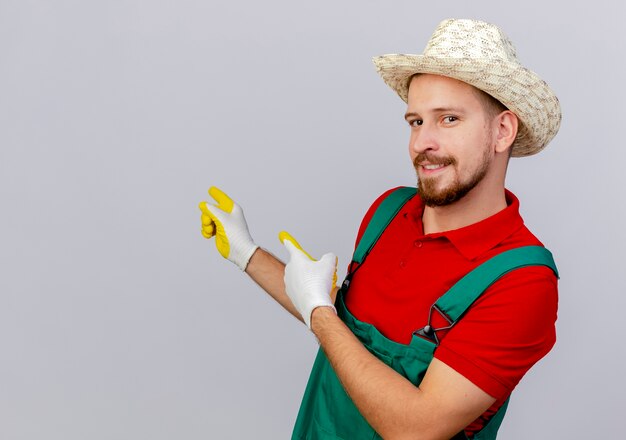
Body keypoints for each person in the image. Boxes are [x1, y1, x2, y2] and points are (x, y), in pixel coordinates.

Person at [199, 18, 561, 440]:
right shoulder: (389, 210)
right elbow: (348, 328)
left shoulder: (522, 281)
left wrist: (318, 312)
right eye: (415, 121)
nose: (422, 142)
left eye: (448, 119)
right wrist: (246, 252)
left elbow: (416, 428)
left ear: (502, 131)